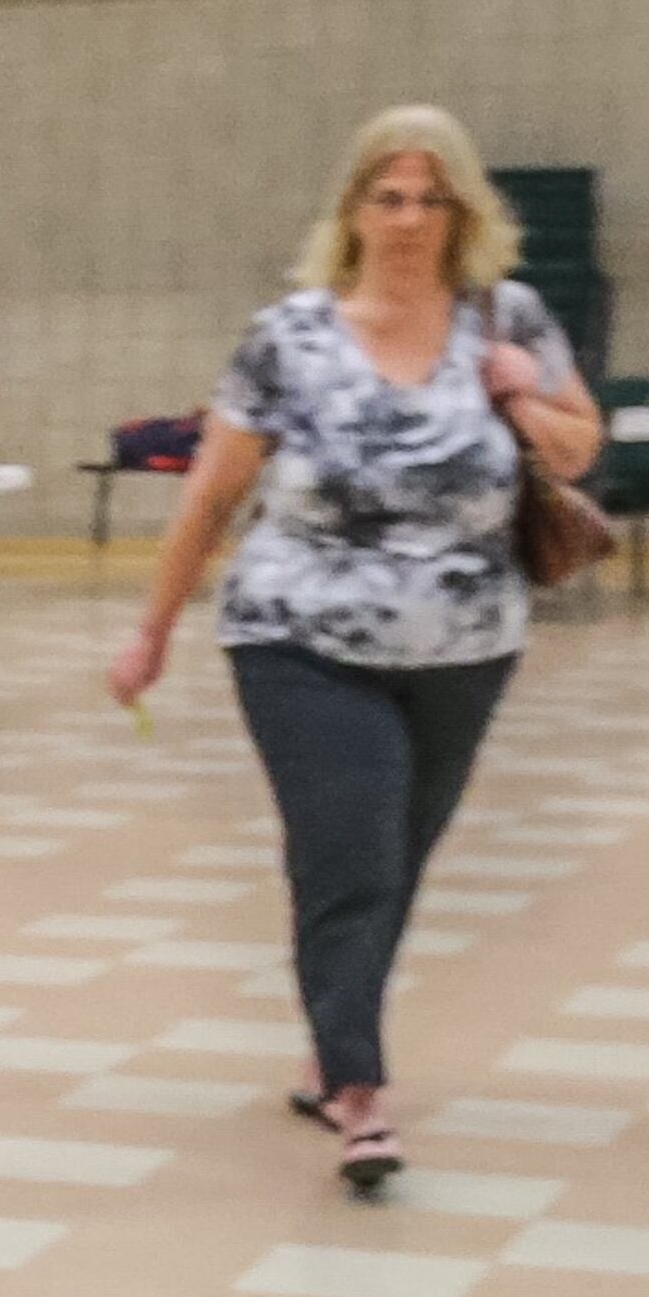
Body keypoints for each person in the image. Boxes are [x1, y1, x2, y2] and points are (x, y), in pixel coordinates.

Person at [107, 104, 602, 1194]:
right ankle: (361, 1095)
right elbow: (212, 494)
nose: (412, 219)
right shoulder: (291, 335)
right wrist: (151, 629)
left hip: (468, 640)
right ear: (355, 209)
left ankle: (330, 1039)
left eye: (432, 199)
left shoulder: (505, 314)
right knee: (351, 855)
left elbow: (580, 441)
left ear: (462, 210)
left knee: (398, 859)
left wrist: (518, 393)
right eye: (390, 197)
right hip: (302, 636)